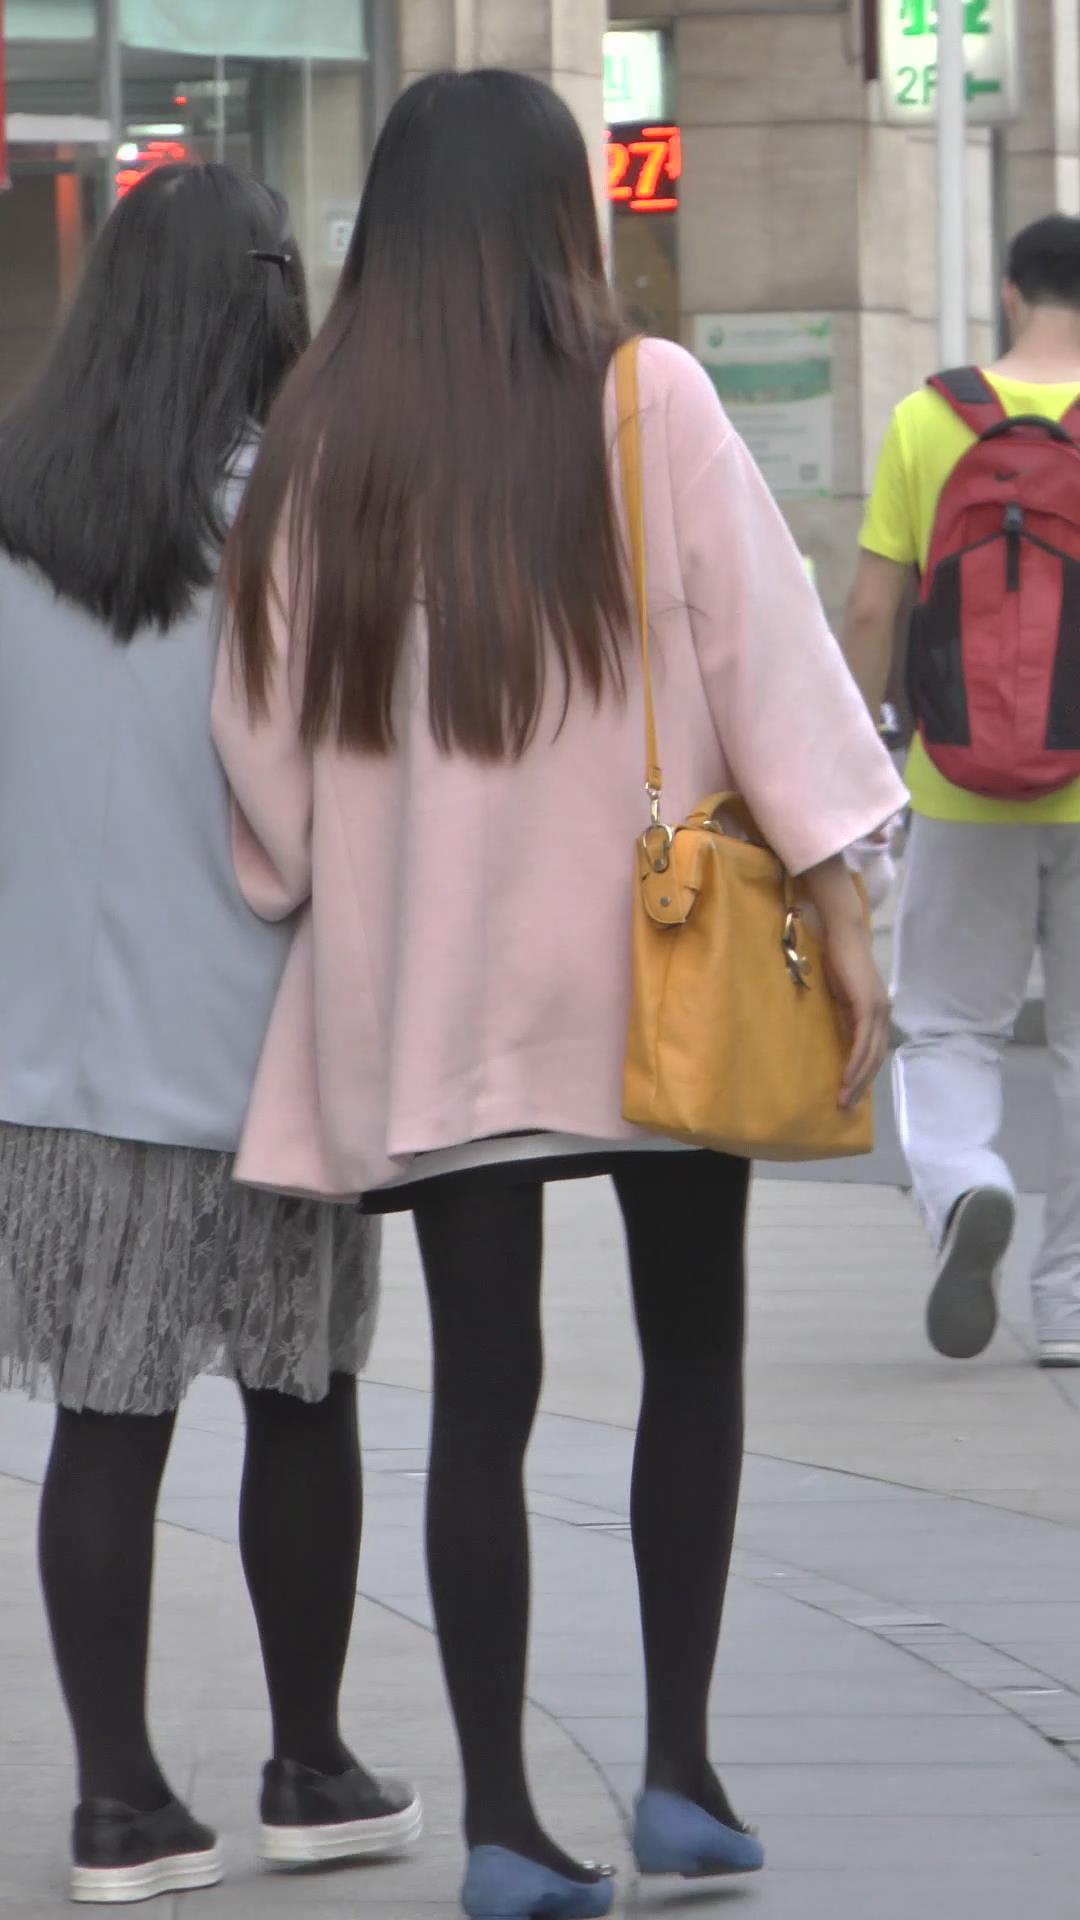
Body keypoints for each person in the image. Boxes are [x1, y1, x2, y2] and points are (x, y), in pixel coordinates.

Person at [213, 71, 902, 1920]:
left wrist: (333, 871)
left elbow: (264, 769)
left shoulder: (321, 439)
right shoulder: (648, 399)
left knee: (482, 1396)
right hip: (659, 970)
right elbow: (767, 659)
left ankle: (509, 1825)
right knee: (696, 1352)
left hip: (443, 997)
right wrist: (841, 899)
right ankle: (679, 1771)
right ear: (558, 217)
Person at [0, 164, 419, 1906]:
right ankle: (311, 1767)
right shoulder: (299, 518)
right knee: (301, 1399)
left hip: (52, 1064)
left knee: (104, 1424)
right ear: (268, 308)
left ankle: (117, 1804)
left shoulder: (17, 510)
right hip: (265, 1048)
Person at [844, 213, 1080, 1370]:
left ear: (1009, 292)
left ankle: (964, 1183)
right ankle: (1072, 1304)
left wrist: (855, 763)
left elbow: (872, 608)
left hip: (959, 777)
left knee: (943, 1023)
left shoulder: (929, 418)